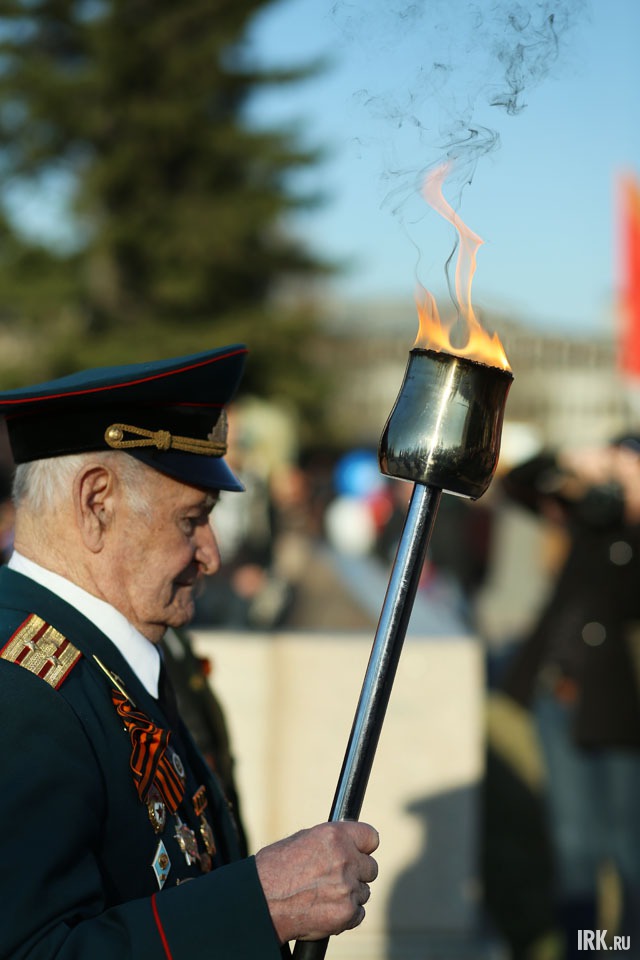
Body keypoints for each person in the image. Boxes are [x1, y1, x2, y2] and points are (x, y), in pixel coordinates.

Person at [0, 343, 379, 959]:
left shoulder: (109, 656)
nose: (212, 554)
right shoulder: (21, 692)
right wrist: (260, 903)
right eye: (190, 520)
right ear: (97, 503)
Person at [493, 438, 640, 958]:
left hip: (624, 710)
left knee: (628, 846)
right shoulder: (587, 517)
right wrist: (568, 459)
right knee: (575, 842)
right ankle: (583, 950)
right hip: (559, 698)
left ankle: (625, 947)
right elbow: (518, 486)